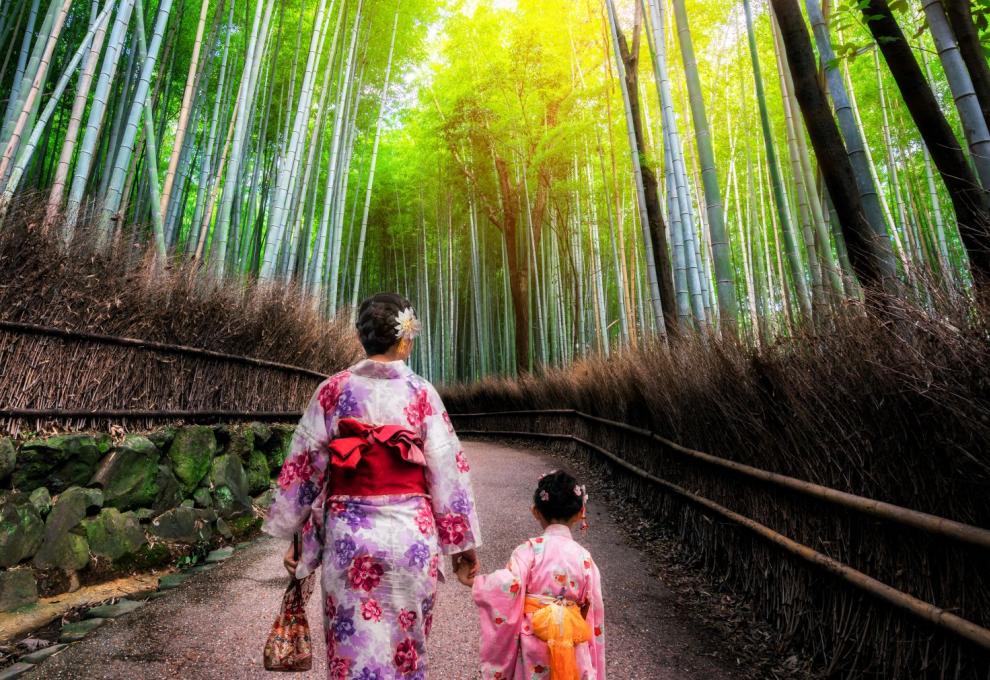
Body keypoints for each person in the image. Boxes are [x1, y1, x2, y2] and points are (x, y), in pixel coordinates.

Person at [263, 292, 482, 679]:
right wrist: (461, 547)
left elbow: (305, 469)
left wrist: (295, 536)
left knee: (350, 653)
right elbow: (449, 473)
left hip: (350, 541)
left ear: (360, 337)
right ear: (404, 339)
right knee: (405, 650)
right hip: (410, 540)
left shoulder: (333, 391)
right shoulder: (422, 394)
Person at [459, 470, 605, 680]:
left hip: (535, 640)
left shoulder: (529, 551)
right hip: (572, 639)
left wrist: (473, 581)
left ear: (536, 511)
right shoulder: (585, 559)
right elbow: (594, 612)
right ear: (579, 513)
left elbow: (507, 585)